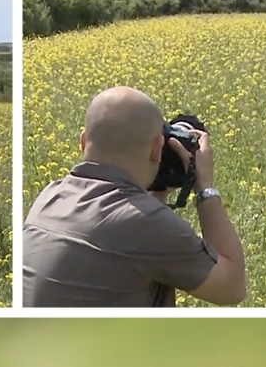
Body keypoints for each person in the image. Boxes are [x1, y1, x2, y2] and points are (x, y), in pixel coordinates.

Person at [22, 86, 247, 308]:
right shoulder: (146, 223)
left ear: (83, 142)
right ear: (157, 149)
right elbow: (232, 288)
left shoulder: (50, 196)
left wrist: (158, 187)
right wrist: (205, 186)